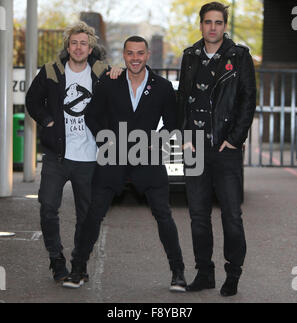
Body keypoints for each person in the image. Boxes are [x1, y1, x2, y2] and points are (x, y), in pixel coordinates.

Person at [63, 36, 186, 291]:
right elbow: (91, 116)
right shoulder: (110, 81)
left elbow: (173, 125)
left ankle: (178, 274)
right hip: (113, 157)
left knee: (163, 215)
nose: (135, 58)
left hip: (147, 157)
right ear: (124, 55)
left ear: (148, 55)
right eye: (130, 53)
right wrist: (105, 141)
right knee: (93, 214)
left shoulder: (162, 87)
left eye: (140, 53)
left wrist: (157, 142)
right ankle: (77, 270)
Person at [26, 21, 122, 283]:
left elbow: (122, 97)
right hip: (57, 155)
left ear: (91, 48)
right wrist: (47, 121)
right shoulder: (51, 71)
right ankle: (56, 260)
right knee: (47, 206)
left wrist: (118, 72)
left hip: (90, 157)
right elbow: (32, 100)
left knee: (87, 216)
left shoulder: (102, 72)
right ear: (68, 47)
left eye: (84, 43)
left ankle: (79, 264)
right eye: (74, 43)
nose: (78, 48)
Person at [177, 2, 256, 296]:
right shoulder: (189, 56)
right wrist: (184, 135)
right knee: (198, 214)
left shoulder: (239, 57)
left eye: (218, 22)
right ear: (201, 25)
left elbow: (248, 101)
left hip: (226, 148)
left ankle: (232, 273)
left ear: (224, 25)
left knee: (231, 215)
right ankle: (204, 273)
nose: (213, 27)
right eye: (208, 22)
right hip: (194, 148)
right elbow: (182, 98)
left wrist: (234, 139)